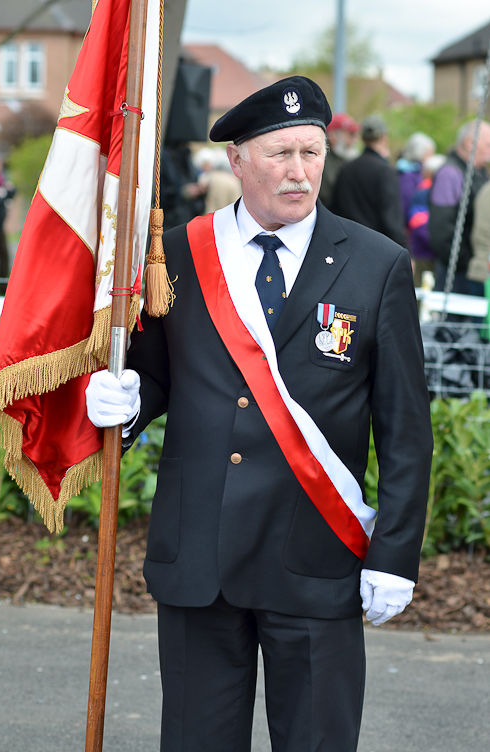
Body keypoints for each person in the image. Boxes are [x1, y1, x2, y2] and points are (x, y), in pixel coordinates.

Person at [86, 76, 433, 752]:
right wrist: (120, 407)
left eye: (313, 152)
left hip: (317, 556)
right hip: (200, 557)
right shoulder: (179, 251)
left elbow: (405, 430)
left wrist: (395, 555)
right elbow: (155, 373)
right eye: (280, 154)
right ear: (236, 158)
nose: (300, 172)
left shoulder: (376, 264)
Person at [429, 120, 490, 294]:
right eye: (488, 144)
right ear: (470, 142)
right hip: (457, 273)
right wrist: (468, 261)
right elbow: (441, 230)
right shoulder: (450, 173)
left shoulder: (479, 172)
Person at [331, 114, 406, 247]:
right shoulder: (385, 171)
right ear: (384, 138)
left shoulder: (346, 169)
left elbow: (334, 208)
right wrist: (405, 249)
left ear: (362, 138)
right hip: (376, 247)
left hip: (346, 244)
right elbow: (391, 218)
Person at [407, 154, 447, 287]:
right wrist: (436, 242)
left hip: (439, 254)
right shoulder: (423, 192)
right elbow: (417, 222)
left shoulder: (444, 191)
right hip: (423, 253)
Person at [318, 112, 360, 208]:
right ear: (333, 136)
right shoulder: (322, 161)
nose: (354, 139)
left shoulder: (345, 160)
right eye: (351, 134)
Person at [396, 132, 436, 226]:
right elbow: (406, 202)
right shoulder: (409, 174)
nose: (431, 157)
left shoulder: (416, 171)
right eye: (429, 153)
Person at [0, 152, 15, 295]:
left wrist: (4, 192)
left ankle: (3, 291)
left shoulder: (1, 178)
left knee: (4, 258)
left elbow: (12, 191)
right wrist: (4, 193)